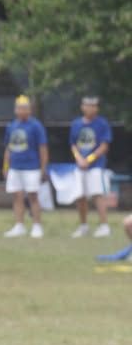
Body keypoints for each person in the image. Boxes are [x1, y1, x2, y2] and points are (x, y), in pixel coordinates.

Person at [3, 95, 49, 238]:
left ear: (29, 110)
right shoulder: (11, 126)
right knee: (17, 196)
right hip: (15, 167)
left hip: (31, 167)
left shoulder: (36, 126)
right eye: (19, 108)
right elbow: (8, 148)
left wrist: (43, 168)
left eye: (25, 108)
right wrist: (5, 166)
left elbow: (42, 148)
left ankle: (37, 226)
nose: (22, 110)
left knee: (33, 196)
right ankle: (19, 225)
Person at [70, 96, 112, 238]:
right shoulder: (76, 124)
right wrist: (79, 159)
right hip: (80, 166)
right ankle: (83, 226)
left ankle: (104, 226)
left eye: (93, 105)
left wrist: (89, 159)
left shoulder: (102, 124)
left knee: (97, 194)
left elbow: (104, 145)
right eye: (88, 105)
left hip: (96, 166)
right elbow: (73, 145)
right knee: (80, 196)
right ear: (82, 107)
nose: (90, 108)